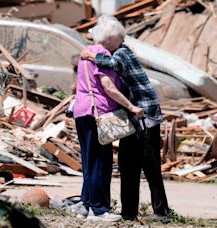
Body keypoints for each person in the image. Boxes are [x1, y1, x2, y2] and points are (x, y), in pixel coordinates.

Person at [81, 15, 170, 224]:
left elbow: (111, 63)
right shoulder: (120, 49)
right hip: (132, 116)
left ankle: (161, 211)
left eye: (104, 40)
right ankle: (129, 212)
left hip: (145, 115)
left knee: (150, 165)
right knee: (127, 163)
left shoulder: (122, 52)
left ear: (113, 38)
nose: (101, 44)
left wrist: (90, 56)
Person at [73, 18, 144, 222]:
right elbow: (108, 86)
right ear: (111, 37)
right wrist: (131, 107)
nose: (122, 42)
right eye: (120, 38)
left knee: (89, 161)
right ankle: (99, 209)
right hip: (98, 113)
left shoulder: (87, 50)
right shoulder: (102, 54)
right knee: (100, 162)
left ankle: (86, 205)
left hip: (82, 111)